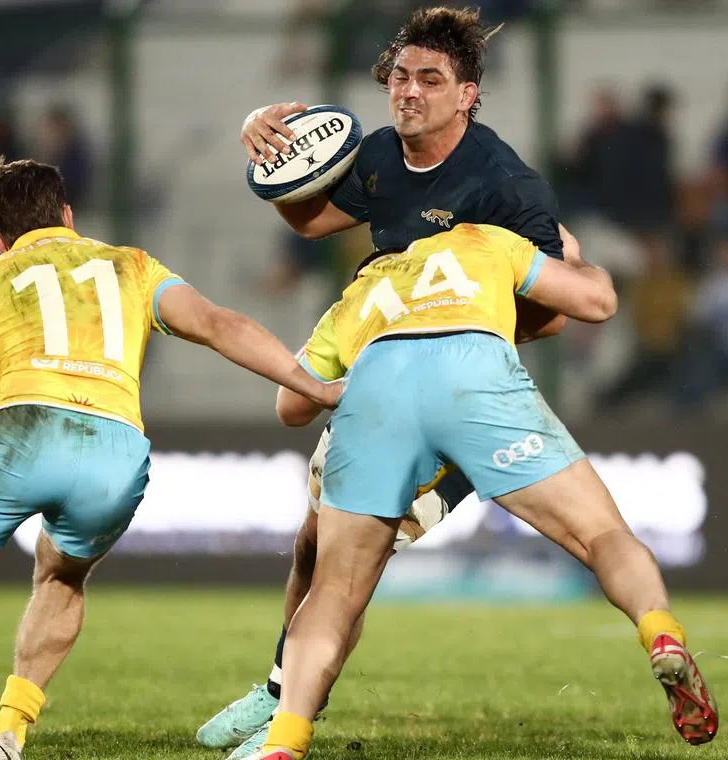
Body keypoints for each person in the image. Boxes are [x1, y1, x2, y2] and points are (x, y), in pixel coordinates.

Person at [0, 158, 341, 760]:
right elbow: (219, 324)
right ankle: (8, 729)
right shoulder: (132, 266)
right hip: (116, 449)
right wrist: (313, 387)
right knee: (61, 575)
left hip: (24, 431)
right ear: (67, 215)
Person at [197, 7, 582, 757]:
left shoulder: (506, 187)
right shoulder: (379, 156)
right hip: (383, 384)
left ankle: (288, 726)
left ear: (468, 94)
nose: (407, 91)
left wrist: (461, 330)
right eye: (399, 76)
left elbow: (559, 315)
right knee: (315, 541)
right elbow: (310, 222)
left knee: (354, 559)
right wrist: (265, 144)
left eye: (428, 79)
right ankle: (279, 688)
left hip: (461, 401)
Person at [252, 222, 717, 759]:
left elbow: (290, 408)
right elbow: (594, 303)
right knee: (601, 534)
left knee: (333, 590)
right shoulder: (481, 239)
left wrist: (339, 384)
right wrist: (579, 260)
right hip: (475, 370)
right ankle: (660, 632)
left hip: (377, 383)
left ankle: (284, 742)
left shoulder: (354, 297)